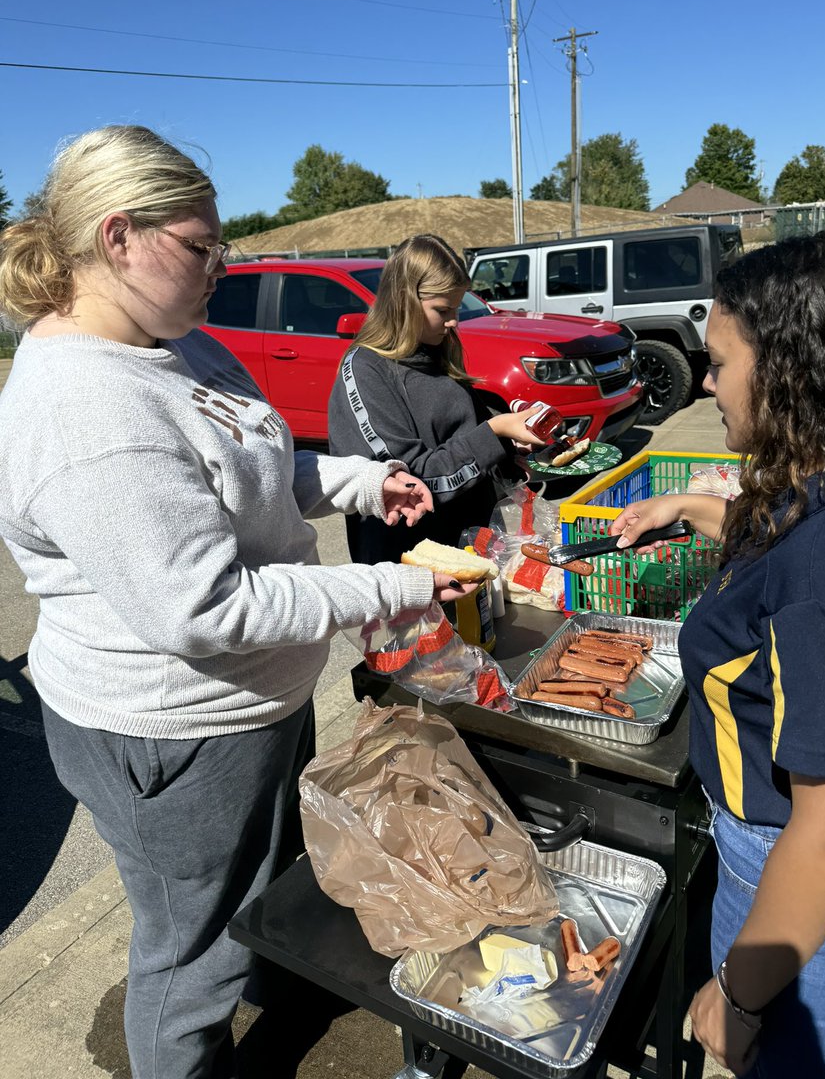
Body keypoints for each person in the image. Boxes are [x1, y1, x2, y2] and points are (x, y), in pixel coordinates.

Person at [0, 126, 476, 1079]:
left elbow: (248, 466)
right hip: (176, 733)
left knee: (253, 890)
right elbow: (204, 608)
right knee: (189, 954)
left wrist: (352, 483)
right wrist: (402, 583)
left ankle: (267, 970)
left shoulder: (172, 338)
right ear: (119, 236)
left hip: (252, 704)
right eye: (202, 245)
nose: (222, 265)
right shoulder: (88, 409)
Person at [610, 230, 825, 1077]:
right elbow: (774, 538)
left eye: (719, 363)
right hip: (776, 858)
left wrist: (738, 994)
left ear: (794, 374)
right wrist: (687, 506)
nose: (705, 383)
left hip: (815, 889)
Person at [327, 233, 546, 563]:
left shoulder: (433, 350)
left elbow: (461, 436)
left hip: (470, 549)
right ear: (403, 300)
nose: (453, 320)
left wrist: (508, 449)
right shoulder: (366, 369)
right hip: (410, 565)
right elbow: (415, 482)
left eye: (456, 308)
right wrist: (495, 432)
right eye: (442, 309)